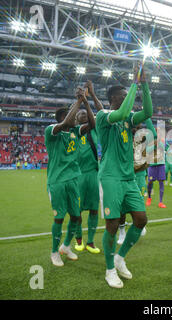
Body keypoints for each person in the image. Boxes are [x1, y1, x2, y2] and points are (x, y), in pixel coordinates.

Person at [96, 63, 152, 288]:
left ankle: (119, 258)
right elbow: (121, 112)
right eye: (122, 96)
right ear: (113, 99)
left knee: (141, 219)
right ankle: (109, 270)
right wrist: (134, 84)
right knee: (112, 225)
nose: (127, 100)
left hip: (128, 178)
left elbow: (147, 112)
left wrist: (145, 85)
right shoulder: (104, 115)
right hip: (110, 178)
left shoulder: (128, 120)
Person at [46, 87, 95, 267]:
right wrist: (79, 101)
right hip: (57, 182)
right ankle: (54, 252)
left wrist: (86, 101)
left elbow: (93, 124)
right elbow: (67, 122)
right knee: (59, 218)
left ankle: (66, 246)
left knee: (76, 217)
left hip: (74, 180)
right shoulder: (51, 131)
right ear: (62, 118)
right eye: (73, 117)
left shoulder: (76, 132)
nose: (76, 119)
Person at [74, 81, 104, 254]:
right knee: (76, 211)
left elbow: (96, 119)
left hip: (93, 174)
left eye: (86, 114)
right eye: (81, 114)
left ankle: (91, 241)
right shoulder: (72, 132)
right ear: (76, 118)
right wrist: (80, 102)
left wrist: (87, 101)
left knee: (93, 209)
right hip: (78, 175)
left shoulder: (94, 130)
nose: (84, 115)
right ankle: (79, 240)